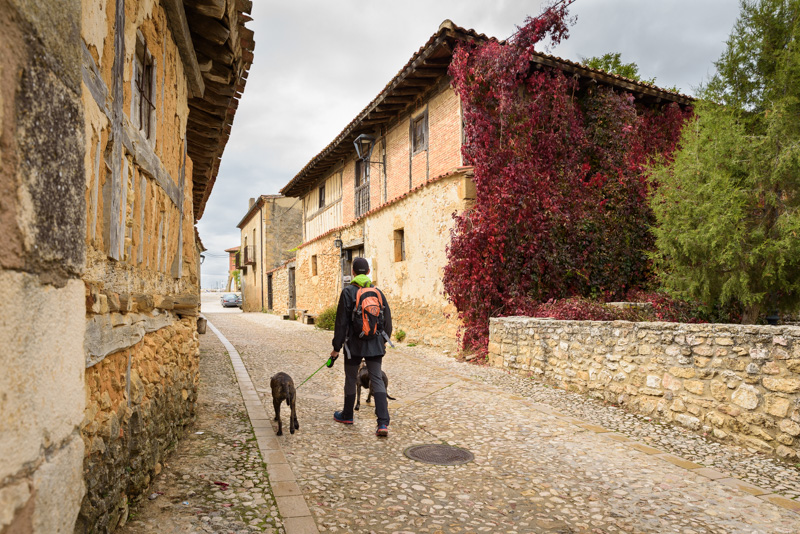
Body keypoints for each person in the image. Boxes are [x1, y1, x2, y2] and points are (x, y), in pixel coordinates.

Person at [329, 257, 392, 437]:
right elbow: (387, 321)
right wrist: (382, 342)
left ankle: (347, 415)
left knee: (351, 378)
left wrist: (336, 347)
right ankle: (382, 423)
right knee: (377, 378)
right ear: (369, 272)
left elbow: (340, 323)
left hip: (353, 345)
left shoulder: (348, 292)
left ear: (353, 273)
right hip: (375, 345)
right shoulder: (378, 293)